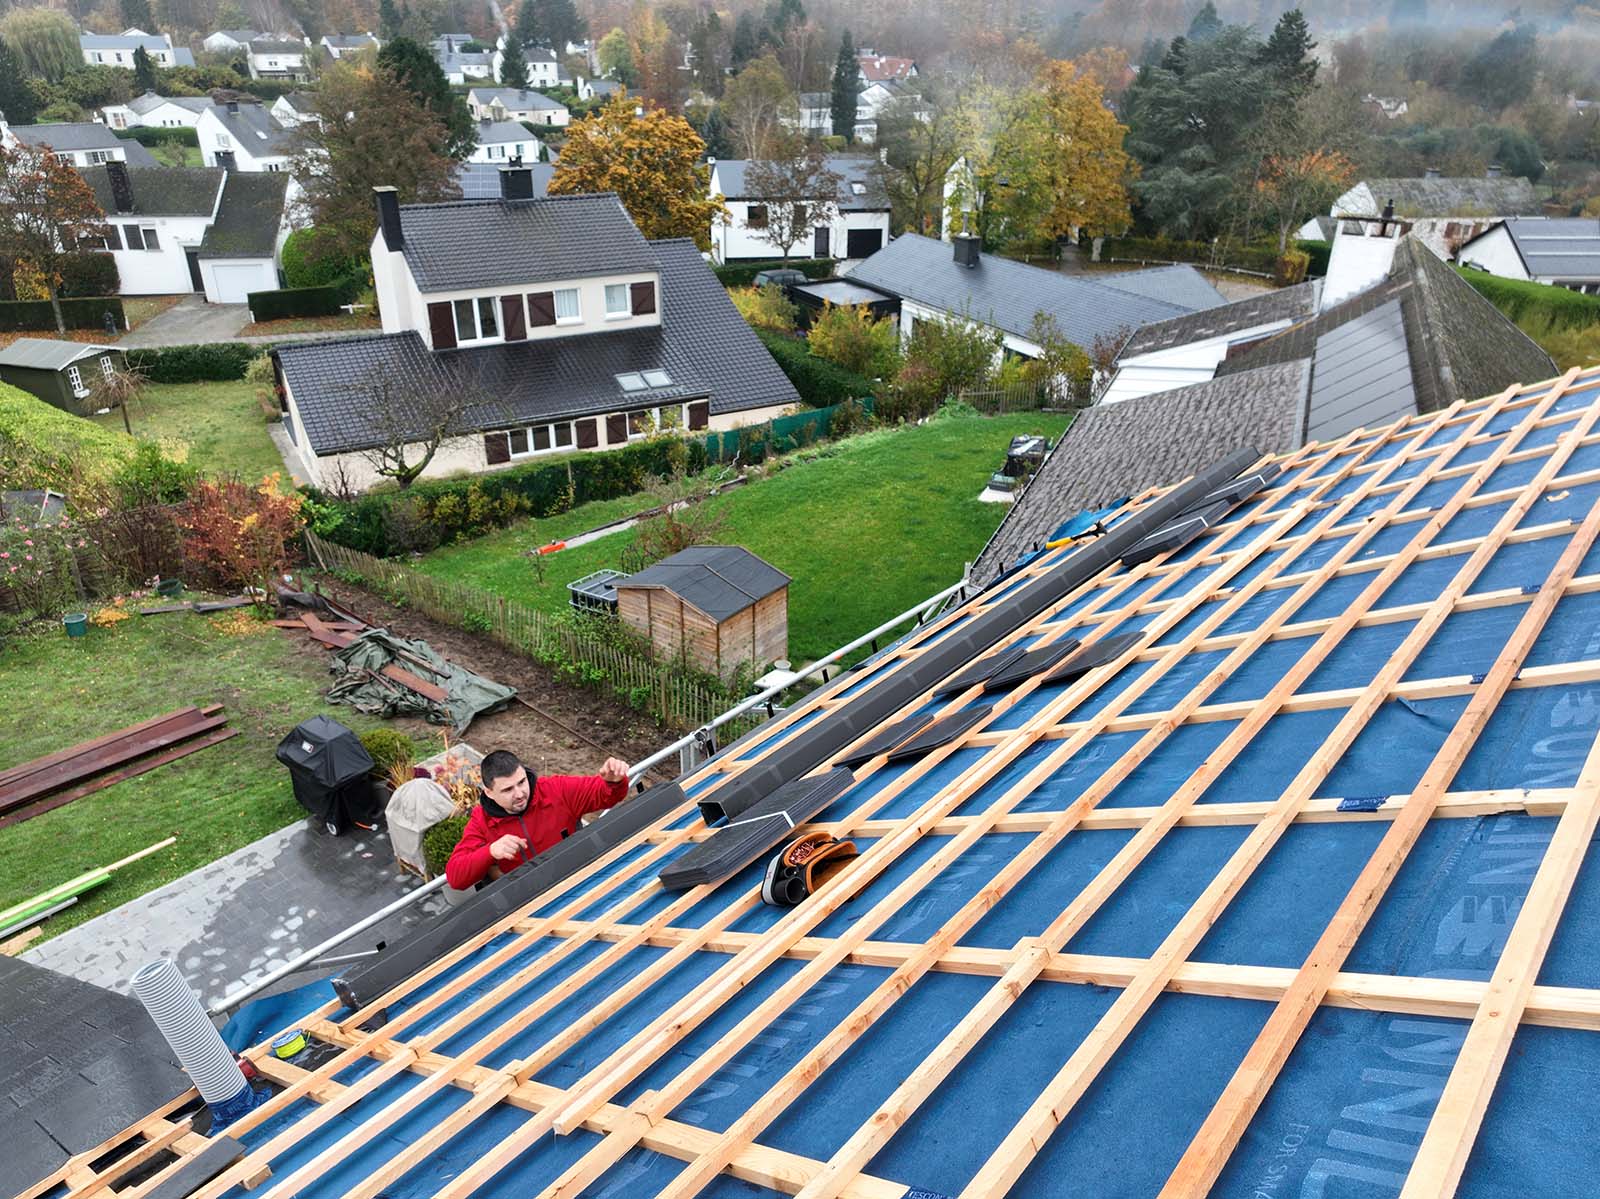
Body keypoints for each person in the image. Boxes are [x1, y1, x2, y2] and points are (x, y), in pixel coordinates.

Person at [445, 749, 630, 891]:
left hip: (581, 880)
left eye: (521, 782)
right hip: (531, 902)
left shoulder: (554, 790)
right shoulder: (482, 821)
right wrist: (490, 851)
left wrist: (614, 782)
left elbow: (604, 795)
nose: (519, 794)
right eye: (508, 790)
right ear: (489, 792)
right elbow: (455, 877)